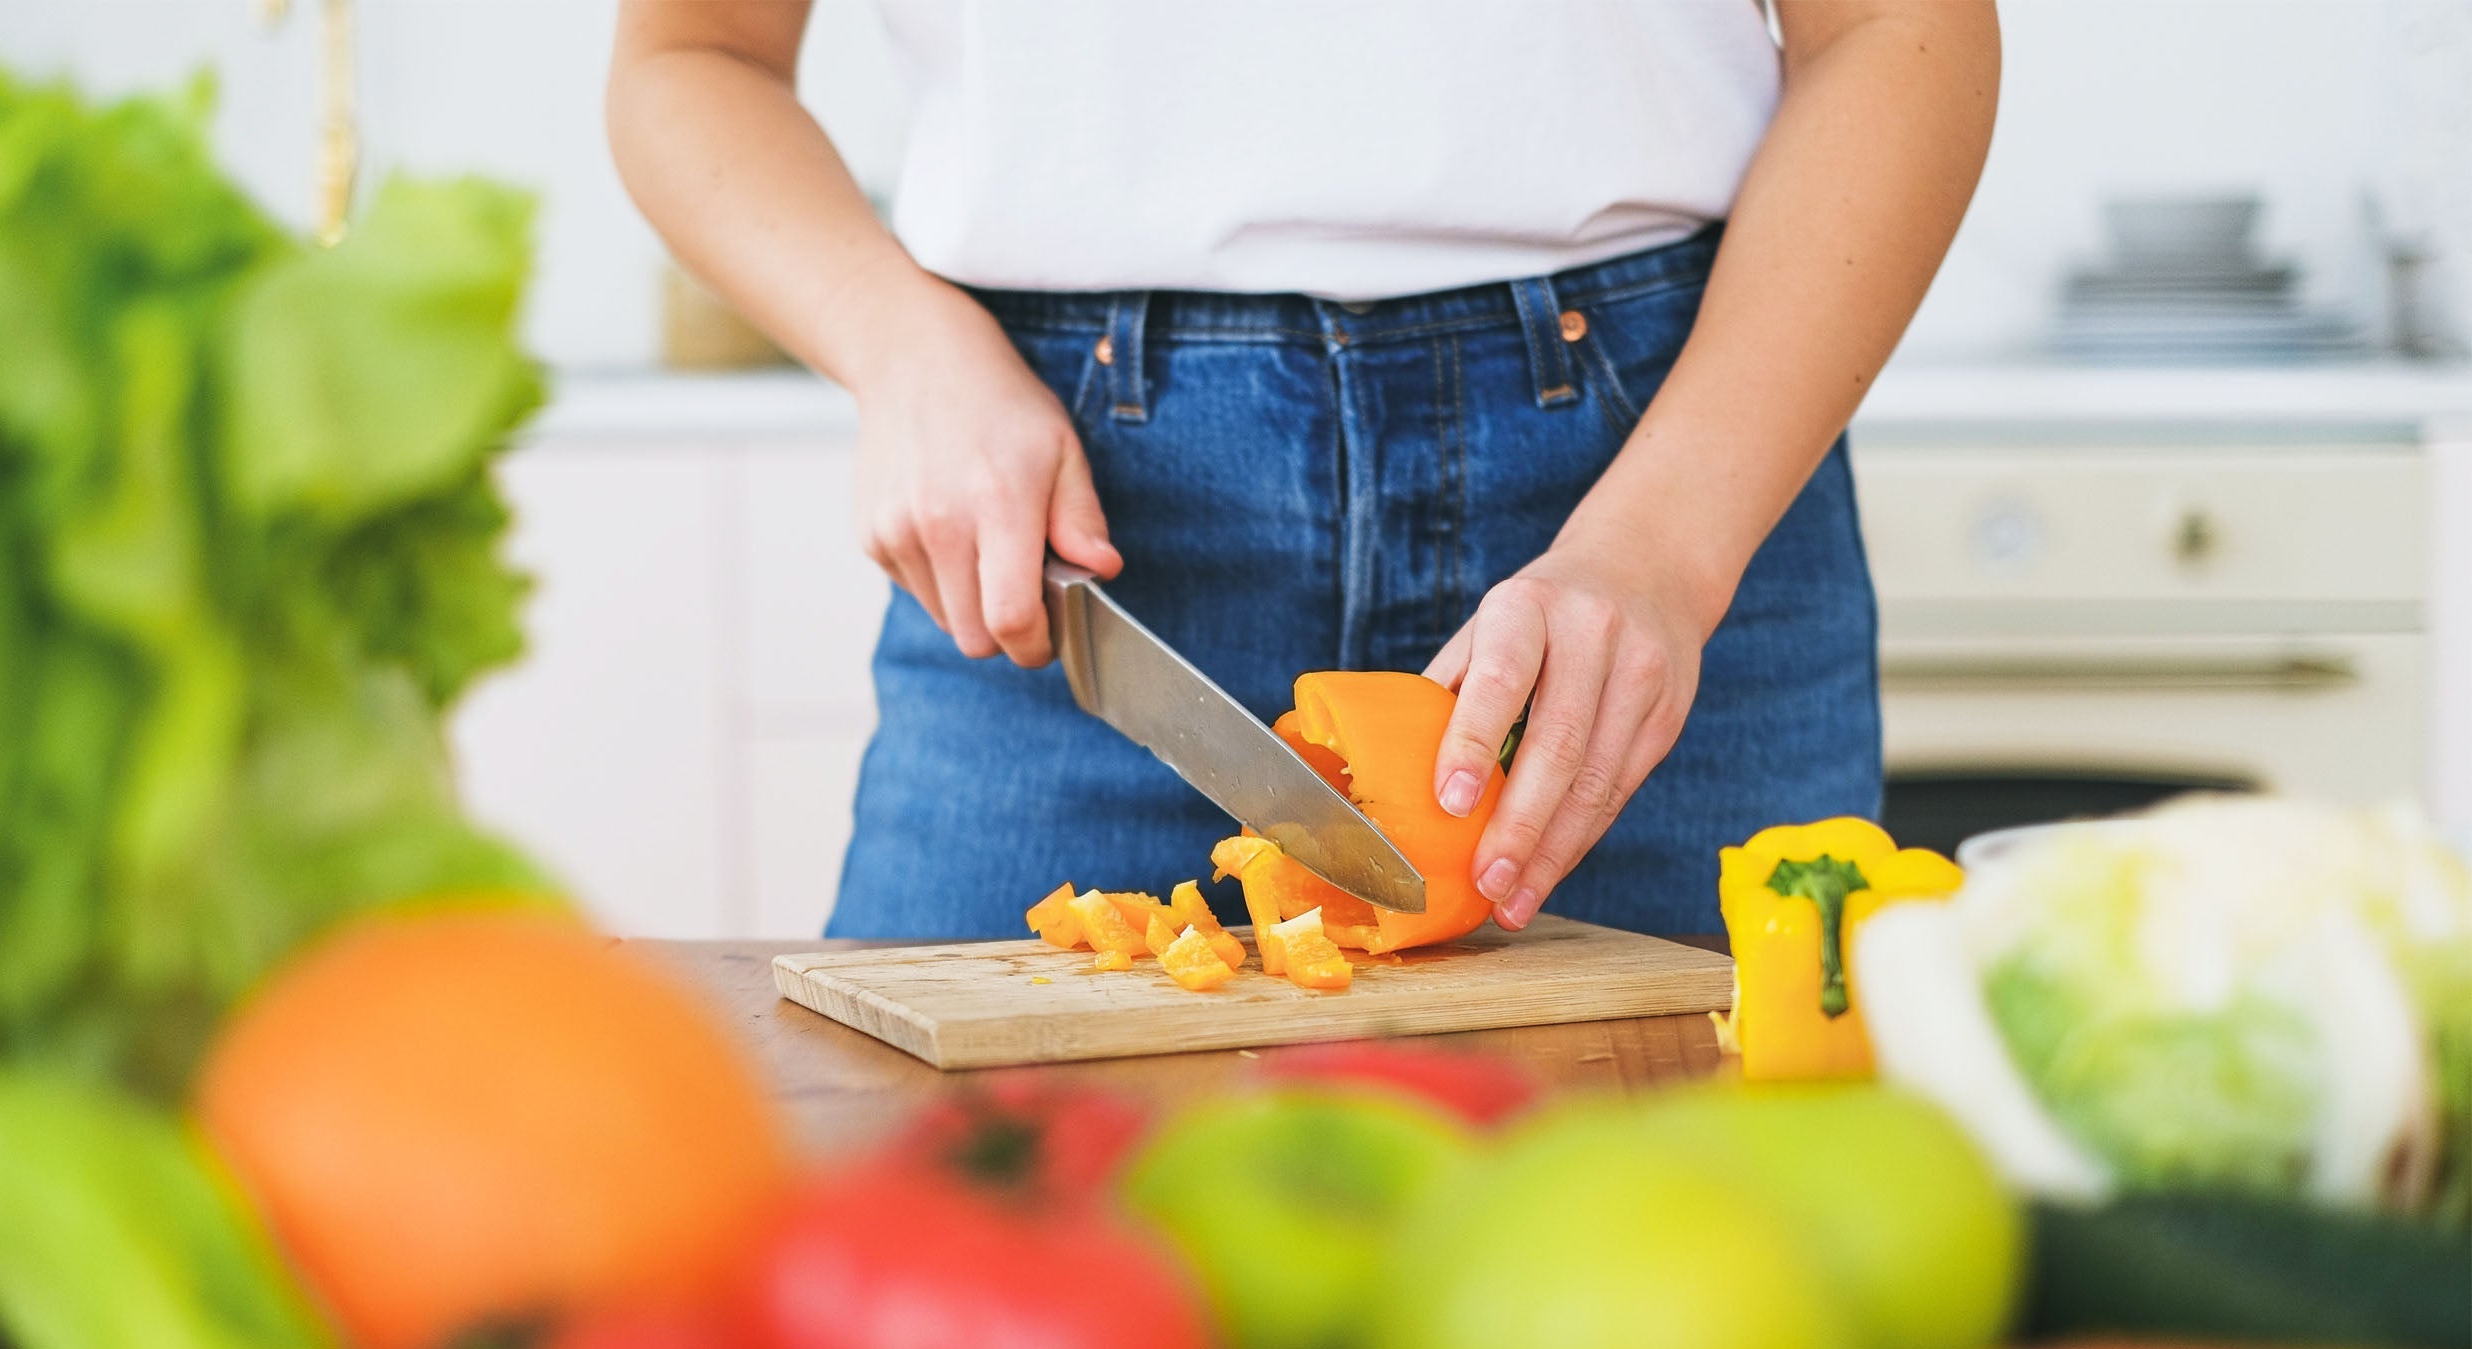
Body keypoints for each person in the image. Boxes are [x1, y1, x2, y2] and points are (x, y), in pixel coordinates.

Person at [609, 1, 1999, 939]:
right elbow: (694, 58)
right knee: (939, 1239)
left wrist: (1667, 543)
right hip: (1077, 530)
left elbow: (1894, 26)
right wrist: (897, 348)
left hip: (1656, 486)